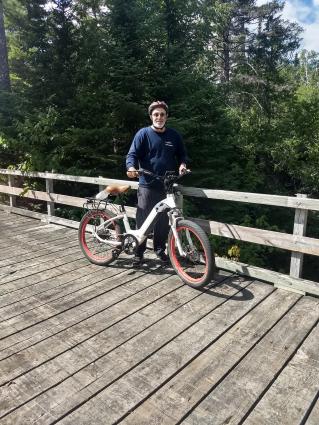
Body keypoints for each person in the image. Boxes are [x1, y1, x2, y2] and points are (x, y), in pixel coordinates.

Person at [126, 100, 188, 266]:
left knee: (162, 222)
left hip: (166, 186)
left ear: (166, 116)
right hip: (146, 185)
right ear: (151, 116)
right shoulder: (143, 134)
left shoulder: (174, 135)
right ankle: (138, 253)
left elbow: (182, 154)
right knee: (143, 220)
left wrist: (183, 164)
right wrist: (131, 167)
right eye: (156, 114)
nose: (159, 117)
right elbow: (131, 154)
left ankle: (160, 250)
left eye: (162, 114)